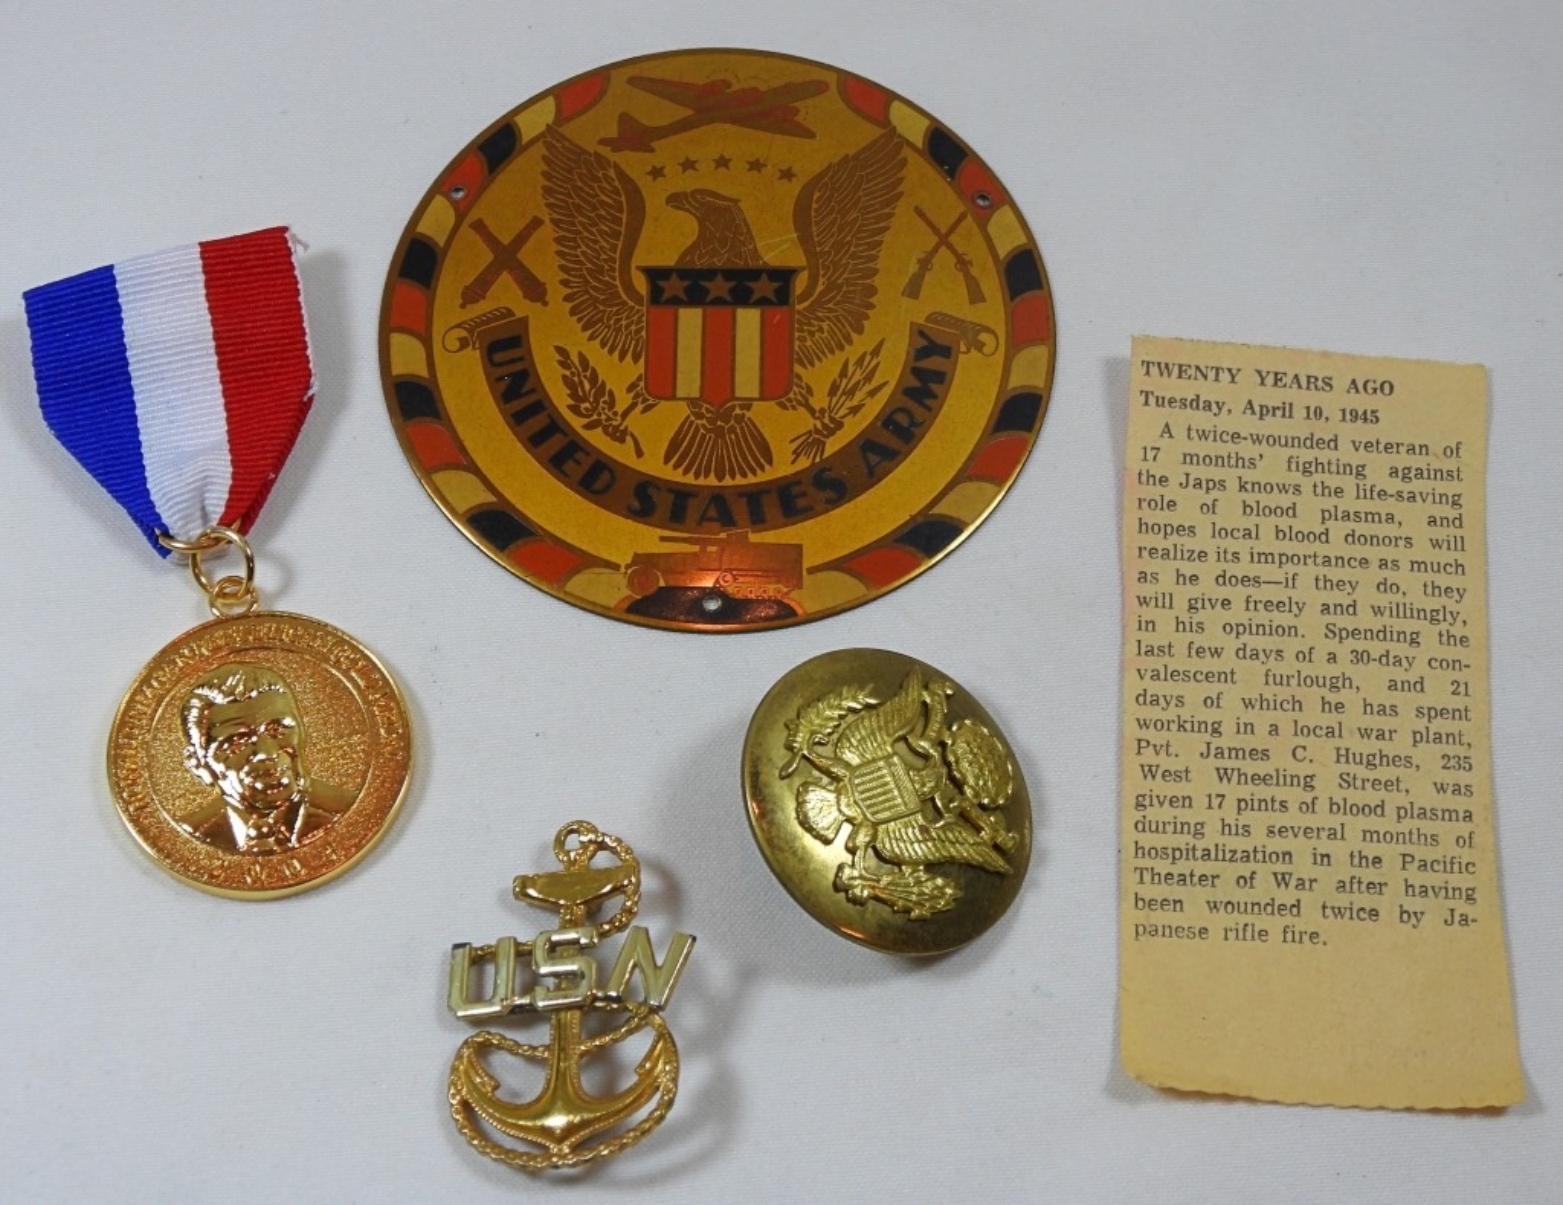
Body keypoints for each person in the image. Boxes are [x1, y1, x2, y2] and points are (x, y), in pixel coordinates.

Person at [178, 663, 353, 853]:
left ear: (302, 732)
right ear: (198, 765)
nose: (266, 752)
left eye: (277, 730)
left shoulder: (349, 812)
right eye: (237, 742)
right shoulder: (187, 837)